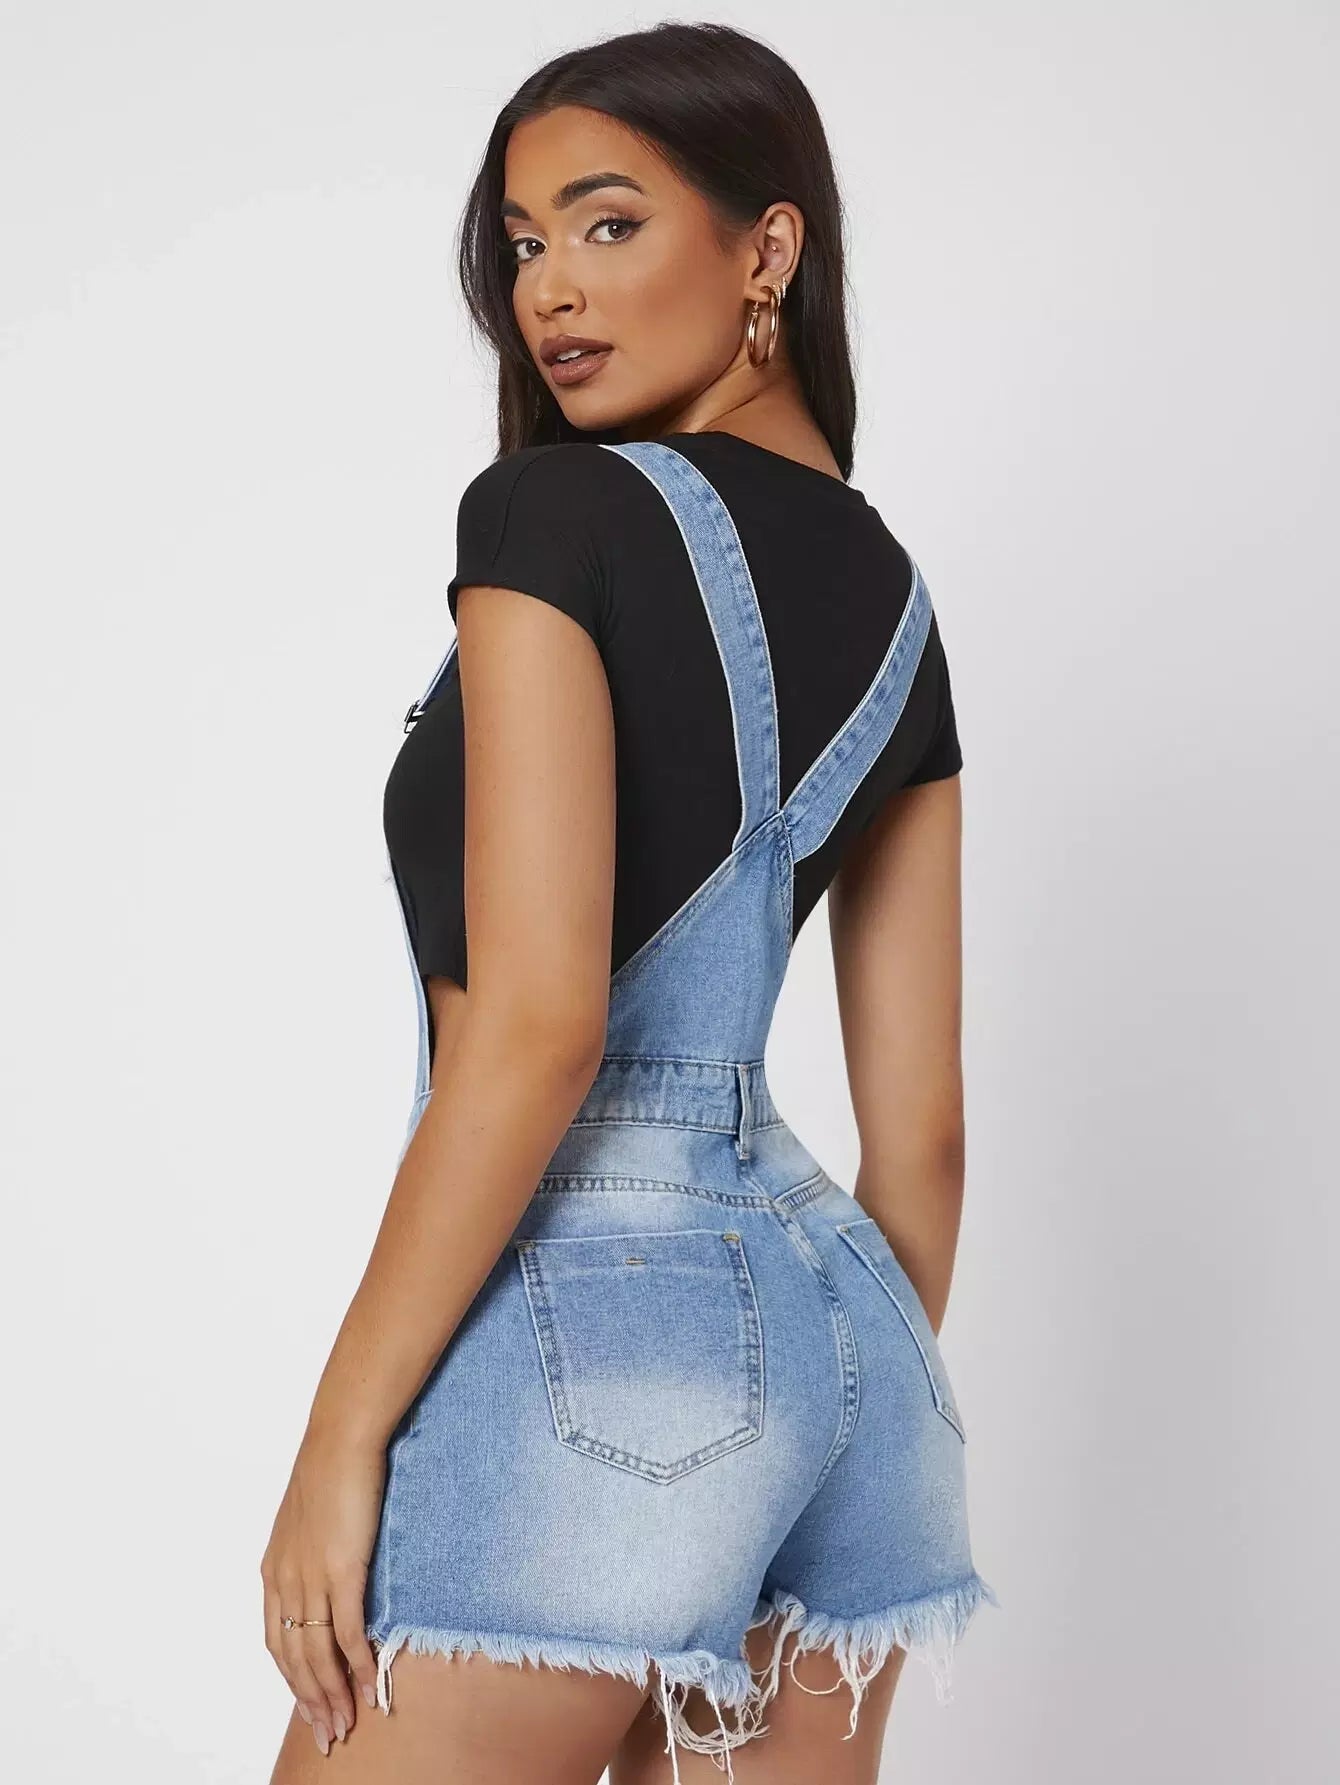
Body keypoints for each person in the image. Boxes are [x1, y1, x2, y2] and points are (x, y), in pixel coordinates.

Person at [262, 21, 997, 1784]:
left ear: (767, 249)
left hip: (601, 1342)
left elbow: (538, 1029)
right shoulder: (902, 610)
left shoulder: (556, 518)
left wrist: (337, 1438)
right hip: (862, 1358)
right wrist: (808, 1407)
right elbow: (926, 1141)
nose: (549, 290)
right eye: (524, 243)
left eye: (608, 223)